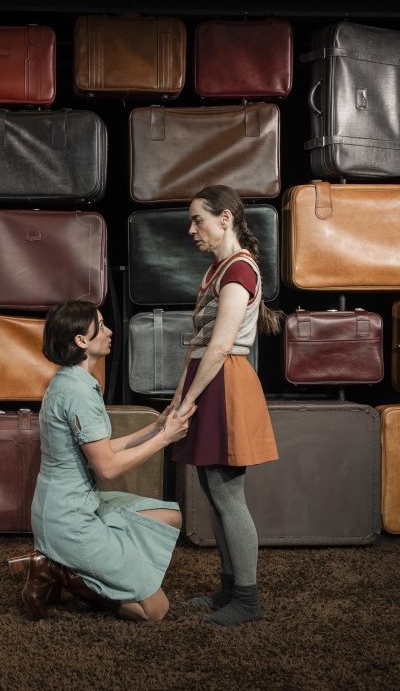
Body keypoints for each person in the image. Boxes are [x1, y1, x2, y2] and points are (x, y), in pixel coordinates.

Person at [8, 301, 195, 623]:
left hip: (73, 503)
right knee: (154, 612)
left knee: (170, 517)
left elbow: (102, 449)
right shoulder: (78, 393)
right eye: (102, 326)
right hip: (69, 518)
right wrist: (166, 439)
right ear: (81, 340)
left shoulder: (72, 381)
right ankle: (60, 570)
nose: (110, 332)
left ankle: (97, 565)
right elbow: (107, 469)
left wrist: (156, 427)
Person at [171, 184, 284, 626]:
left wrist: (189, 400)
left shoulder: (239, 269)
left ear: (225, 219)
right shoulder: (218, 269)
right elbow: (199, 345)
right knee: (213, 492)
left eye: (197, 220)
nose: (191, 229)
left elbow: (219, 347)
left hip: (225, 383)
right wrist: (180, 398)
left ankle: (247, 600)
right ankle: (229, 587)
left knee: (227, 495)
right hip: (208, 381)